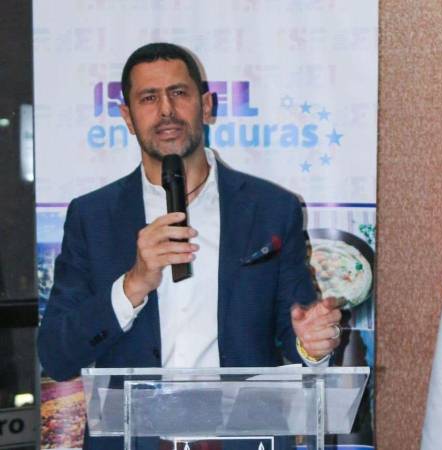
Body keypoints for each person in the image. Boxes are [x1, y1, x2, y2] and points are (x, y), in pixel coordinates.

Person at [38, 42, 343, 450]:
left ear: (207, 105)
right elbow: (57, 355)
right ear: (127, 117)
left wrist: (311, 341)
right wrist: (133, 285)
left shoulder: (270, 210)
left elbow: (296, 329)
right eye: (149, 98)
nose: (166, 110)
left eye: (179, 93)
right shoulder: (92, 217)